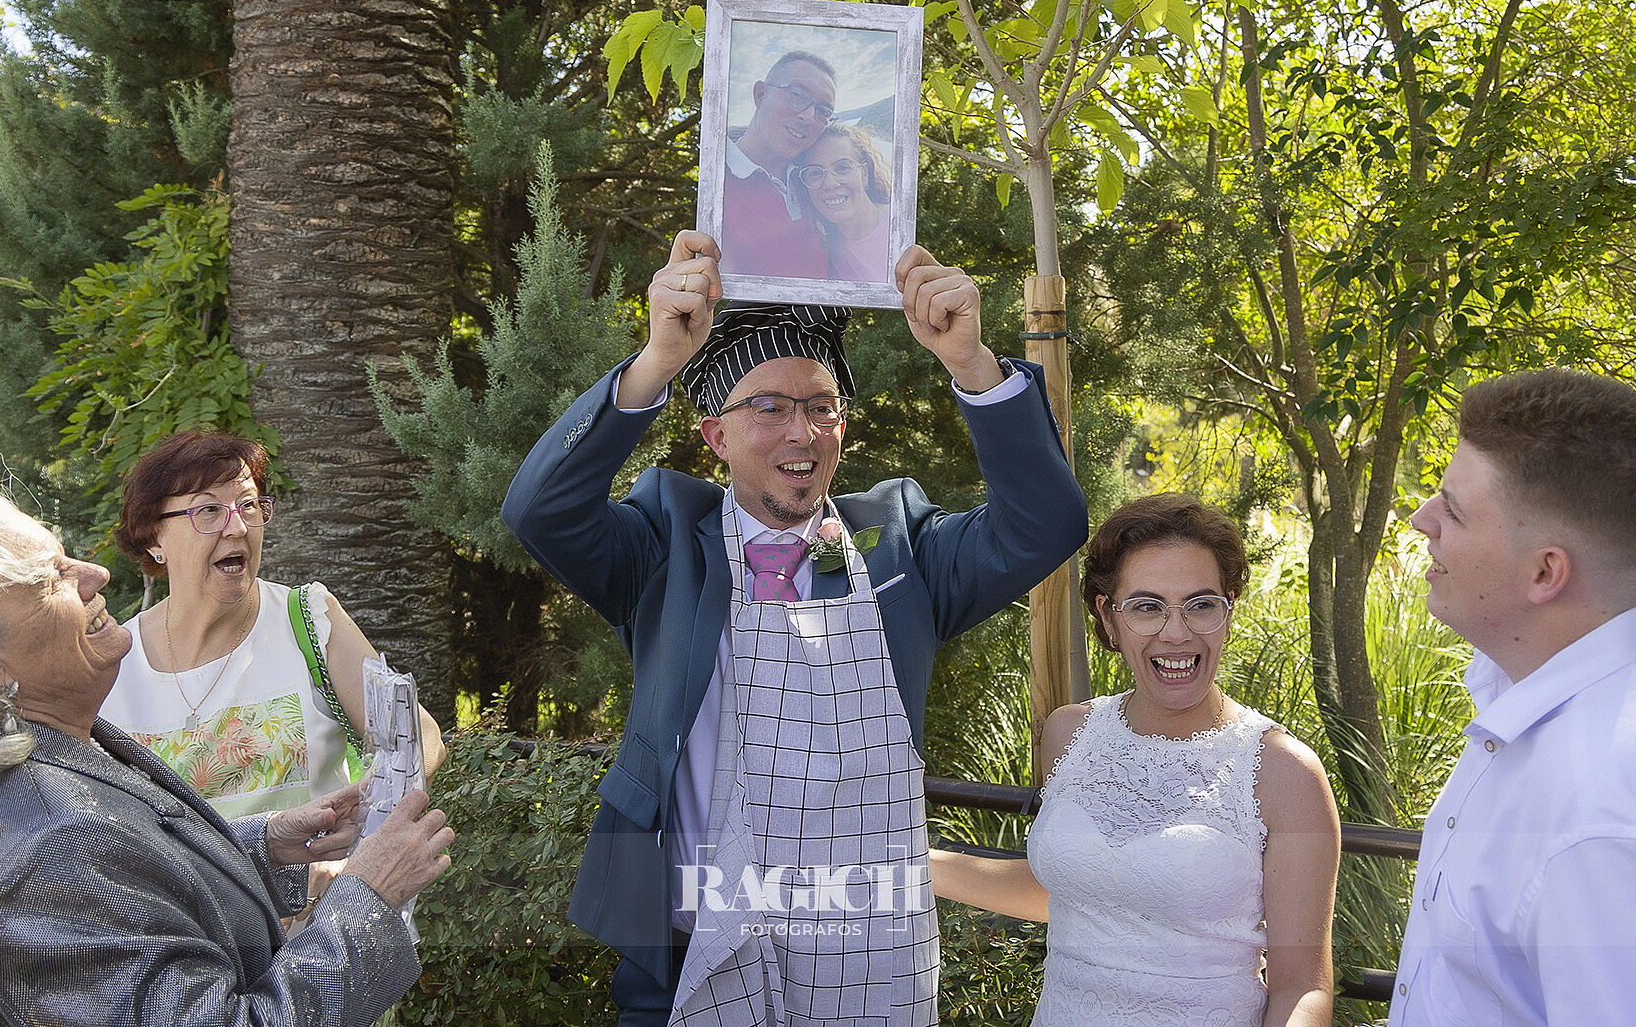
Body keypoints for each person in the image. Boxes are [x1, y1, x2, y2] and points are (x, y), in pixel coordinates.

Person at [500, 230, 1088, 1025]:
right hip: (691, 938)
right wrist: (657, 363)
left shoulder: (903, 548)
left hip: (868, 949)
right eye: (768, 408)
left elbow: (1046, 524)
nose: (800, 433)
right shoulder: (663, 545)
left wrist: (971, 365)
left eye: (821, 408)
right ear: (716, 435)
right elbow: (538, 510)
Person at [0, 478, 454, 1026]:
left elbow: (126, 884)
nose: (94, 573)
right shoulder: (45, 852)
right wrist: (367, 895)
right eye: (50, 579)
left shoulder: (30, 764)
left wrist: (266, 843)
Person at [931, 494, 1340, 1026]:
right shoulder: (1068, 734)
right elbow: (1075, 893)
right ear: (1108, 615)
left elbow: (1303, 986)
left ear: (1228, 609)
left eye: (1201, 603)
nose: (1176, 632)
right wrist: (911, 865)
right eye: (1147, 607)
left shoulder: (1285, 772)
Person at [1389, 369, 1636, 1027]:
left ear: (1545, 572)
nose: (1421, 520)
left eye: (1455, 510)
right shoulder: (1520, 697)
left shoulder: (1596, 812)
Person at [100, 429, 444, 825]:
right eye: (208, 510)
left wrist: (369, 807)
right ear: (153, 537)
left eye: (248, 506)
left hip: (320, 887)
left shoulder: (309, 620)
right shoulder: (115, 661)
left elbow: (419, 735)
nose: (238, 528)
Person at [719, 50, 837, 278]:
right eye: (798, 95)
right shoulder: (714, 182)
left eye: (823, 111)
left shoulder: (817, 182)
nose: (809, 117)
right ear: (761, 94)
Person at [794, 122, 893, 282]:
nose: (830, 183)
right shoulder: (823, 248)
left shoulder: (901, 227)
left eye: (842, 168)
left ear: (865, 174)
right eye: (815, 173)